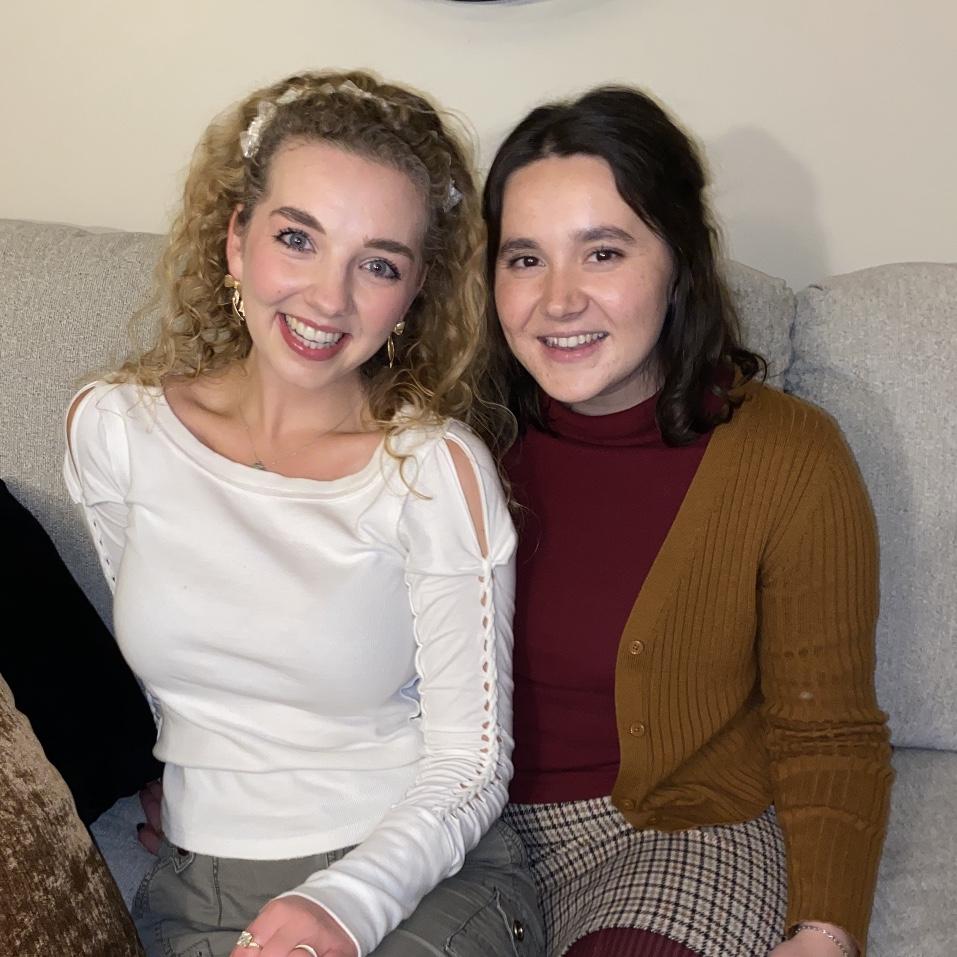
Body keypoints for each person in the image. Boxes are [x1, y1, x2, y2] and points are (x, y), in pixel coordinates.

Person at [64, 70, 544, 957]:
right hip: (203, 885)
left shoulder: (432, 471)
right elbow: (177, 677)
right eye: (297, 238)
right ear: (235, 240)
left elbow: (471, 763)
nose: (329, 299)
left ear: (413, 293)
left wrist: (345, 904)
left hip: (413, 878)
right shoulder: (115, 431)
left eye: (377, 264)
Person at [482, 86, 893, 957]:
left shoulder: (787, 457)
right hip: (461, 835)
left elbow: (828, 728)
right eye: (524, 258)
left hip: (673, 832)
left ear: (679, 263)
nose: (557, 300)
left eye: (601, 252)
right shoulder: (448, 440)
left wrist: (824, 931)